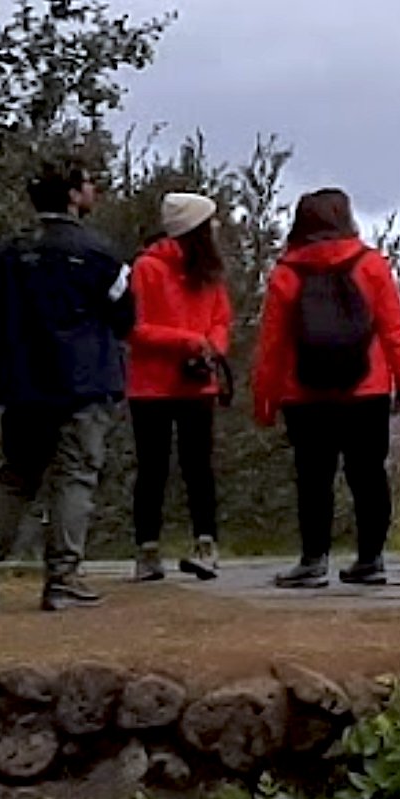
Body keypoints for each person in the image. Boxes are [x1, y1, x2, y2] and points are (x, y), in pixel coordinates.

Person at [0, 159, 135, 612]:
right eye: (89, 184)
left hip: (22, 381)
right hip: (83, 380)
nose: (94, 190)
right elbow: (126, 316)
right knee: (75, 477)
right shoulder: (100, 254)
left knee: (15, 476)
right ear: (74, 195)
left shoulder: (10, 252)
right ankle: (62, 576)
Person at [253, 186, 400, 588]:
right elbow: (395, 328)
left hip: (304, 391)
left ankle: (313, 561)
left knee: (313, 476)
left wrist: (265, 399)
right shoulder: (371, 265)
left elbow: (272, 344)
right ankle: (371, 558)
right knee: (367, 474)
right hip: (367, 387)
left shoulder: (287, 272)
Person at [127, 190, 234, 583]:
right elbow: (135, 329)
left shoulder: (209, 273)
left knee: (199, 467)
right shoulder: (147, 269)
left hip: (197, 382)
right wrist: (189, 341)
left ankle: (206, 543)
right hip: (152, 385)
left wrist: (214, 348)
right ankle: (146, 548)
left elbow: (221, 318)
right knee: (153, 468)